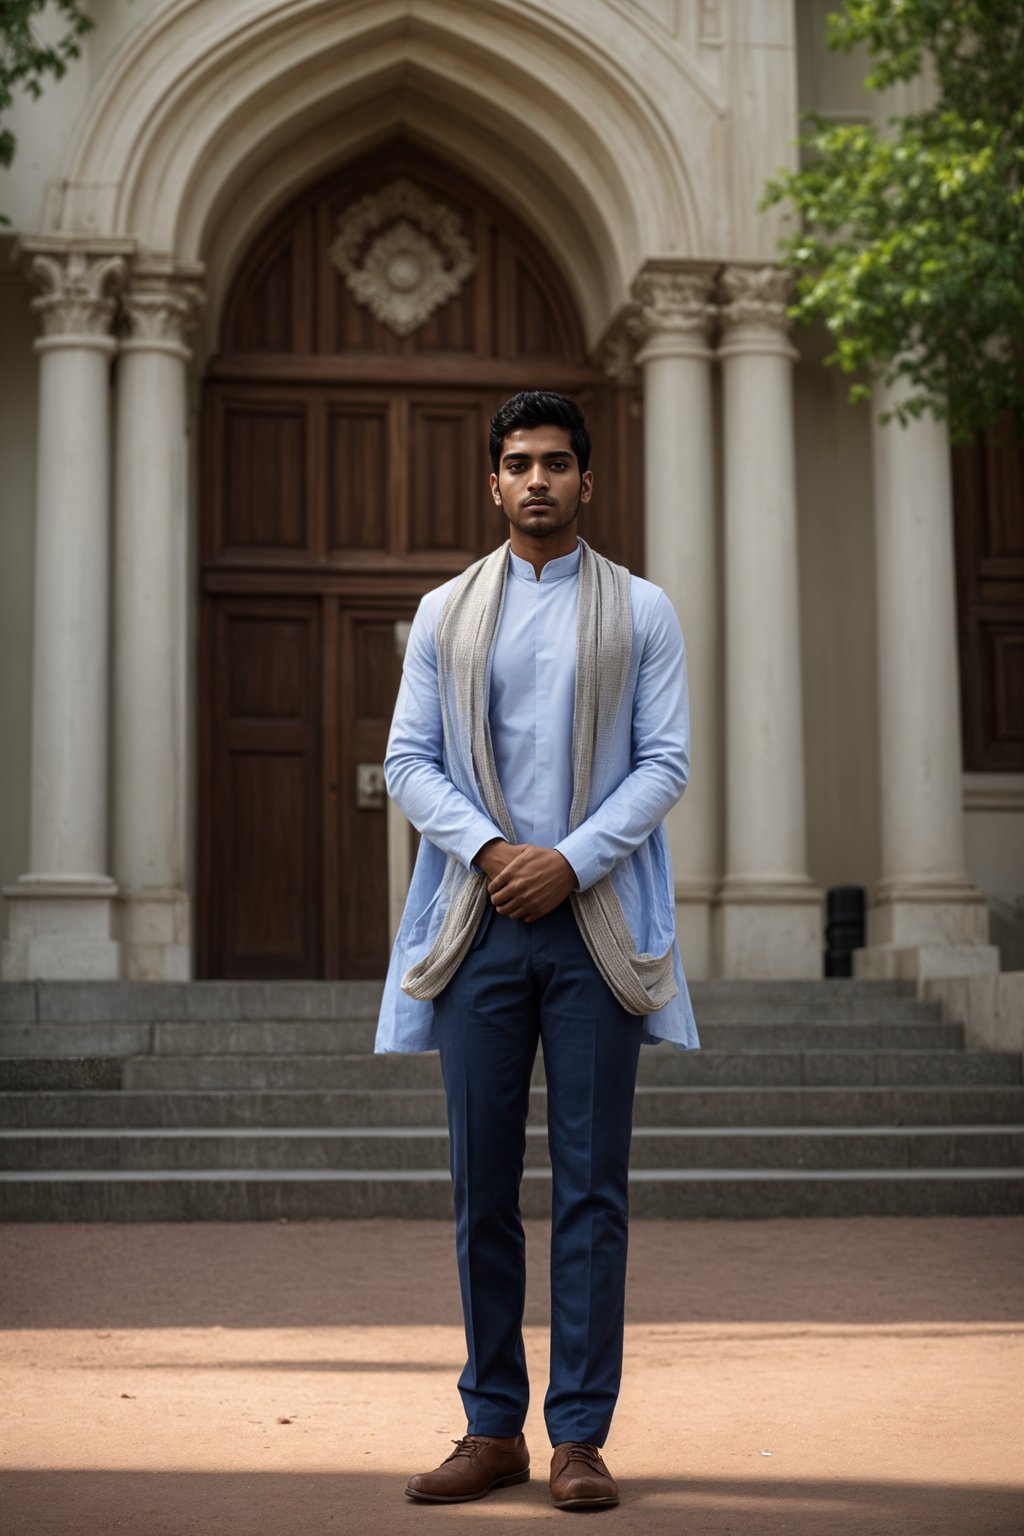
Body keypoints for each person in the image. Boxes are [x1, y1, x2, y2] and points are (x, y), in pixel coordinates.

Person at [375, 389, 699, 1510]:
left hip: (595, 931)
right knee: (479, 1188)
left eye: (558, 462)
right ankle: (489, 1427)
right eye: (519, 463)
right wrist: (493, 852)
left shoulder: (643, 610)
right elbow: (408, 761)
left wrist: (567, 859)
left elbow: (665, 765)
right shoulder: (445, 612)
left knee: (591, 1188)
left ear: (587, 482)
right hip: (479, 928)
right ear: (493, 482)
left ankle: (578, 1439)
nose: (538, 480)